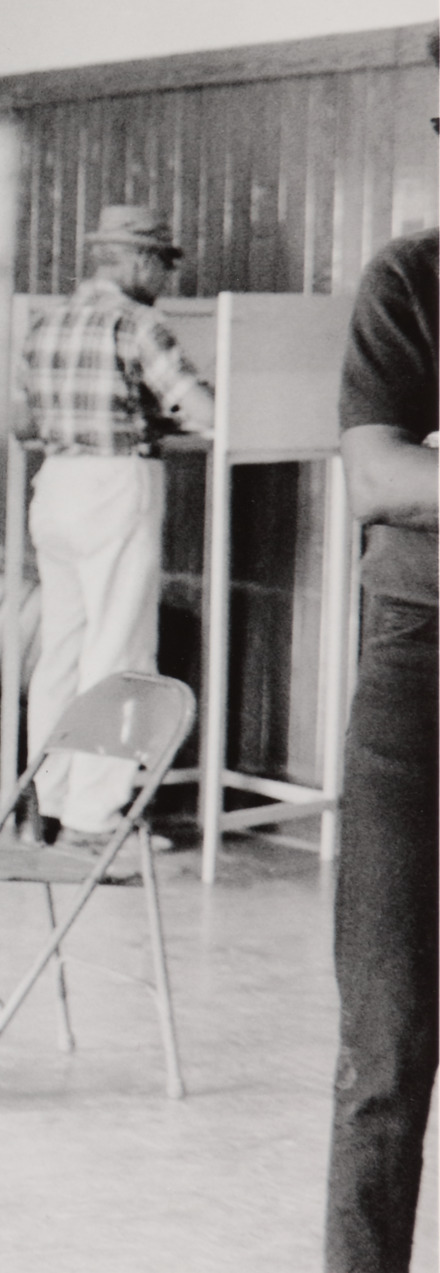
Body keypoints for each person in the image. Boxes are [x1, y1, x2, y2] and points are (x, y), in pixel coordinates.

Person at [19, 204, 214, 837]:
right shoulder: (138, 324)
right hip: (115, 486)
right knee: (118, 652)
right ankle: (95, 814)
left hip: (54, 486)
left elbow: (27, 420)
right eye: (161, 262)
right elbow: (203, 410)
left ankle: (43, 803)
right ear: (134, 260)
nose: (164, 278)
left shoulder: (47, 323)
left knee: (61, 652)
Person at [323, 227, 437, 1273]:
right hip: (419, 683)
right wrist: (412, 467)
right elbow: (378, 476)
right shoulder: (412, 276)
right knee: (386, 1051)